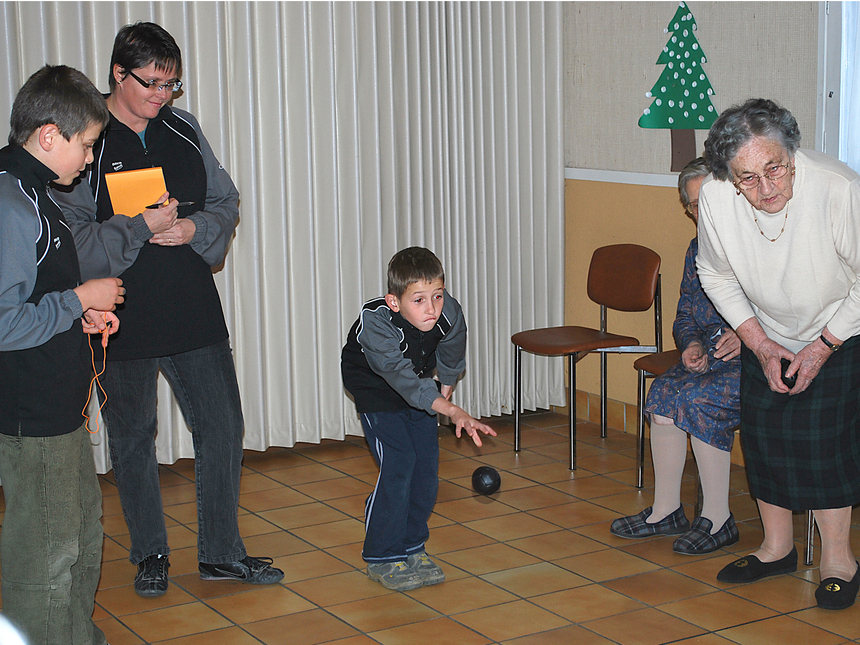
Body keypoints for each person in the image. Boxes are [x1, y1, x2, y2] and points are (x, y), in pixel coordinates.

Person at [54, 22, 282, 598]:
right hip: (121, 314)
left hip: (191, 307)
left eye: (172, 84)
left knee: (223, 427)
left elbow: (226, 202)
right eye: (152, 83)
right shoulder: (89, 139)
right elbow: (75, 239)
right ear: (117, 74)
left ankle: (221, 555)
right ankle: (150, 554)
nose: (163, 96)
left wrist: (193, 228)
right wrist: (142, 226)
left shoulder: (183, 127)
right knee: (133, 436)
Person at [697, 98, 860, 610]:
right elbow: (716, 273)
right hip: (763, 331)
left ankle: (839, 560)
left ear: (792, 154)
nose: (767, 189)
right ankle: (776, 548)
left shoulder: (838, 188)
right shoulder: (717, 197)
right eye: (748, 178)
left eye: (775, 169)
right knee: (766, 440)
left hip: (840, 328)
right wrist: (760, 344)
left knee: (826, 446)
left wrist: (823, 345)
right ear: (729, 174)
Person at [0, 65, 124, 645]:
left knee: (82, 538)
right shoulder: (10, 203)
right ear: (50, 135)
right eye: (88, 144)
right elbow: (3, 323)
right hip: (33, 416)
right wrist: (79, 298)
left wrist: (79, 313)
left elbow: (35, 301)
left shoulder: (36, 194)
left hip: (61, 409)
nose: (90, 158)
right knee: (44, 561)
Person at [341, 247, 497, 591]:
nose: (431, 308)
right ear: (394, 302)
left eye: (437, 296)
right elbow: (403, 381)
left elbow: (454, 344)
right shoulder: (376, 323)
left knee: (425, 469)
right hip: (377, 389)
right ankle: (382, 555)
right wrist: (450, 409)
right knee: (399, 463)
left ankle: (412, 547)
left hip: (421, 382)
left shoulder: (448, 311)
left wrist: (448, 383)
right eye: (419, 300)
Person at [610, 158, 742, 555]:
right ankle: (666, 510)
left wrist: (749, 336)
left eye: (715, 198)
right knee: (665, 392)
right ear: (688, 210)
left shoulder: (757, 242)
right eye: (698, 204)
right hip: (713, 360)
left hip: (758, 362)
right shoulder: (697, 249)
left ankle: (718, 518)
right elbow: (686, 313)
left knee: (700, 398)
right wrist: (690, 346)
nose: (708, 210)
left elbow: (785, 310)